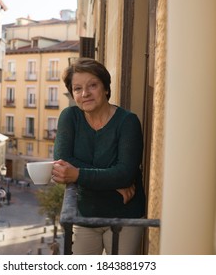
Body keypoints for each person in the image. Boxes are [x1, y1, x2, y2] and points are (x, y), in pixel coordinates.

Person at [52, 58, 146, 255]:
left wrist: (77, 174)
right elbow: (62, 162)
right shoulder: (70, 117)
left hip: (124, 217)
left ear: (105, 88)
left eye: (92, 85)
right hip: (85, 214)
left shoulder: (128, 122)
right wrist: (113, 180)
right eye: (77, 89)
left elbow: (125, 174)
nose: (85, 93)